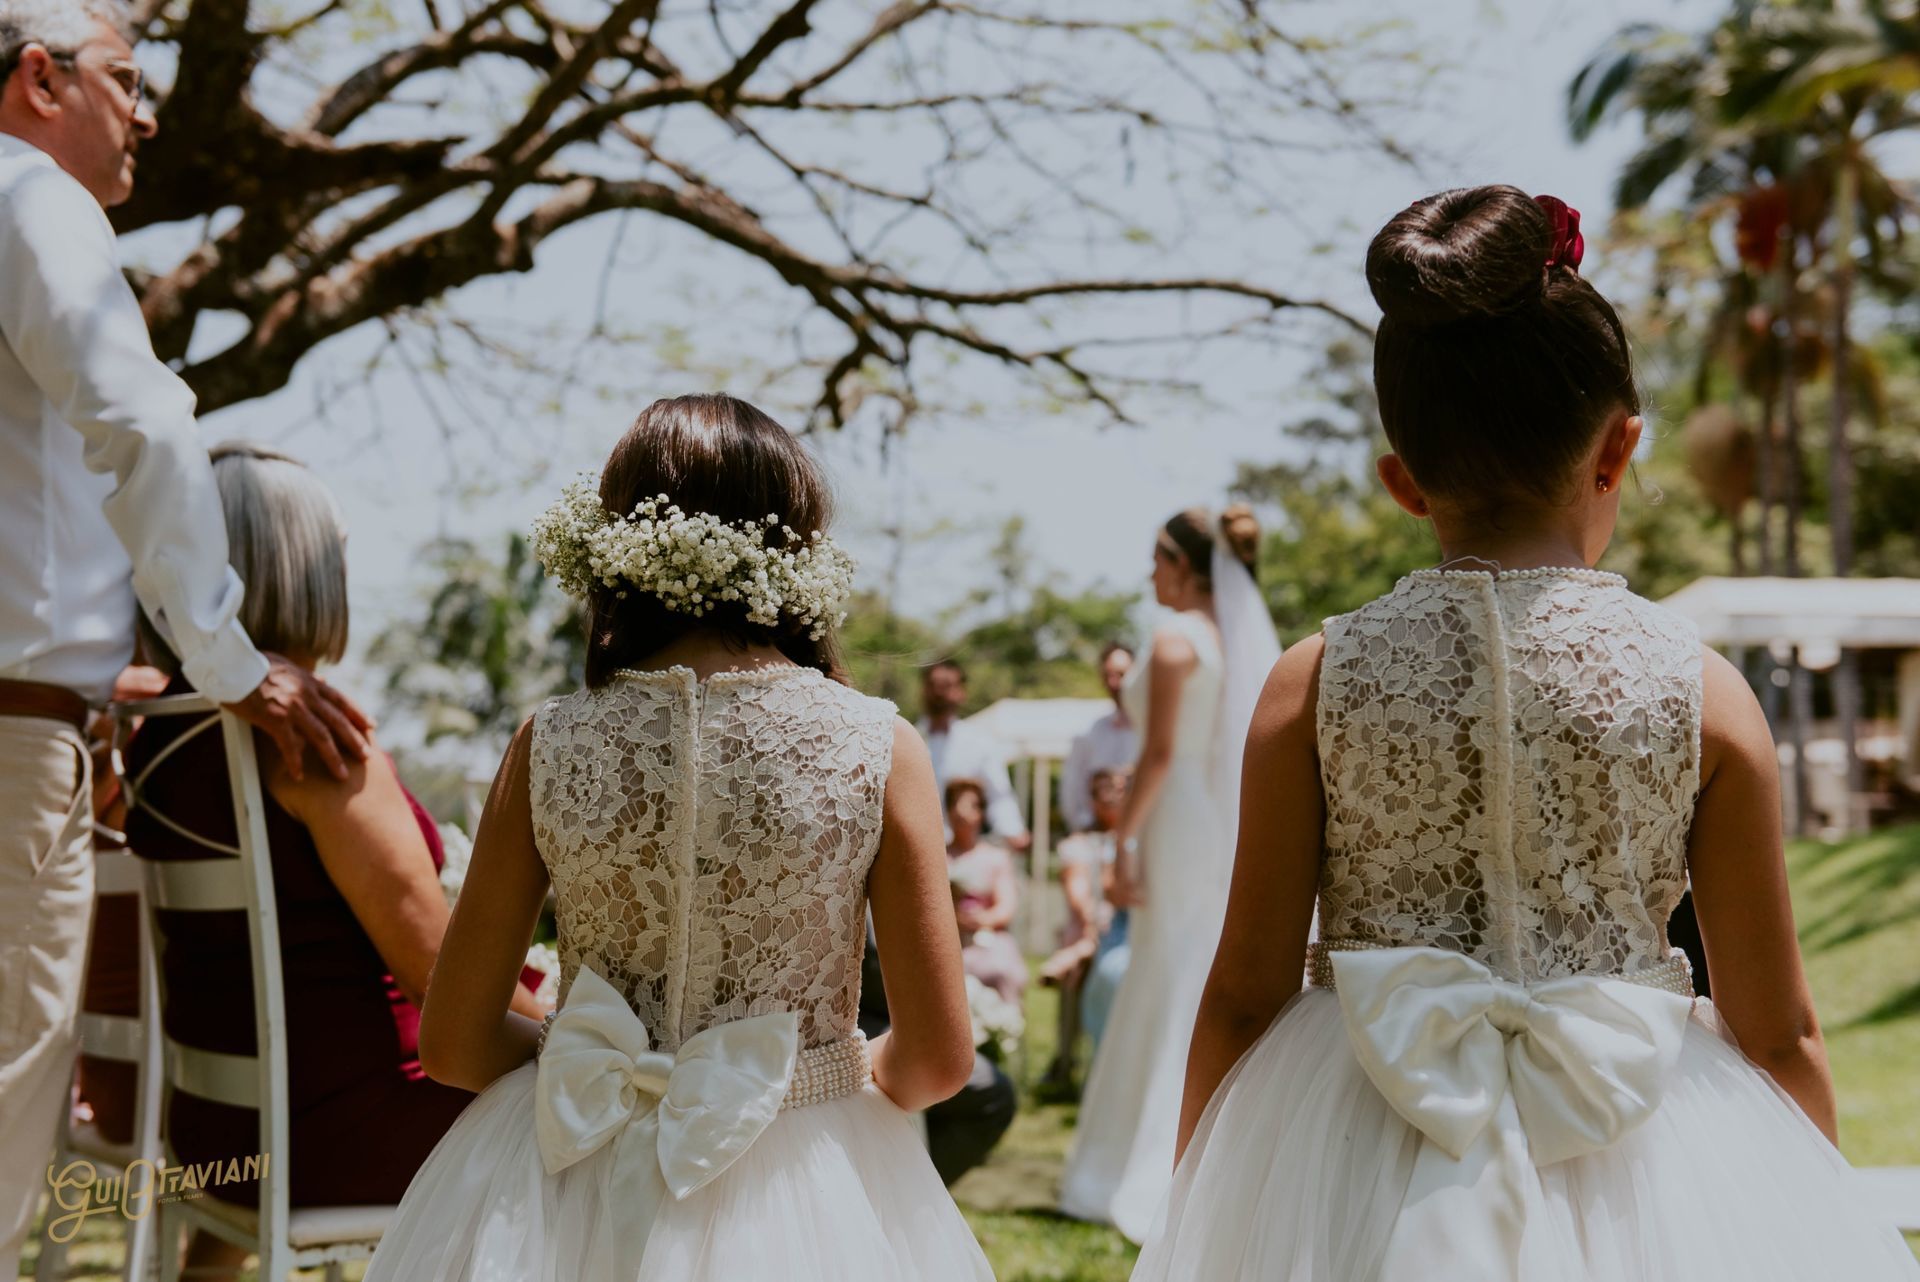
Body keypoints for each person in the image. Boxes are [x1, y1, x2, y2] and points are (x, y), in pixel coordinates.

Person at [1135, 186, 1920, 1281]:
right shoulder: (1706, 691)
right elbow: (1778, 1029)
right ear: (1619, 450)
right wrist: (1812, 1218)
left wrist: (1202, 1206)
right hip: (1643, 1135)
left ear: (1401, 482)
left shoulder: (1310, 684)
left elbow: (1239, 998)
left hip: (1352, 1133)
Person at [363, 394, 992, 1282]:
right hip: (801, 1175)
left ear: (614, 545)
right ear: (797, 549)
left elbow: (455, 1044)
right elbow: (936, 1060)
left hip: (563, 1172)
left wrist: (591, 1062)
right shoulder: (880, 747)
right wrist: (813, 1078)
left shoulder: (548, 741)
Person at [0, 3, 370, 1260]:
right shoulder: (33, 197)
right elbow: (144, 420)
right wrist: (227, 659)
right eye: (125, 78)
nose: (146, 113)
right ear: (40, 78)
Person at [121, 444, 550, 1280]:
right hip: (346, 1133)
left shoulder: (165, 738)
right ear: (304, 570)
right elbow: (443, 979)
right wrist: (573, 1025)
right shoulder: (308, 743)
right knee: (605, 1104)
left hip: (218, 1132)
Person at [1058, 503, 1281, 1243]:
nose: (1149, 572)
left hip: (1170, 811)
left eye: (1157, 559)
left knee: (1167, 971)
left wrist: (1121, 842)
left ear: (1183, 565)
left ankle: (1140, 1162)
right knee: (1177, 966)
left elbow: (1155, 755)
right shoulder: (1226, 637)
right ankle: (1179, 1153)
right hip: (1203, 813)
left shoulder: (1176, 637)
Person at [857, 931, 1017, 1187]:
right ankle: (905, 1192)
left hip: (893, 1023)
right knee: (981, 1092)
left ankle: (908, 1189)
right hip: (857, 1029)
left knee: (991, 1091)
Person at [1038, 766, 1127, 1091]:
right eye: (1103, 791)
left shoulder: (1138, 837)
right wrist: (1093, 922)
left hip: (1119, 929)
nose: (1111, 798)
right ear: (1091, 800)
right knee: (1091, 950)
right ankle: (1067, 1059)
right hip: (1088, 927)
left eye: (1117, 790)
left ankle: (1076, 956)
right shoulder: (1078, 844)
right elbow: (1077, 892)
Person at [917, 659, 1030, 851]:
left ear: (961, 692)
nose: (940, 693)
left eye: (947, 686)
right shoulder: (907, 740)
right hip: (918, 846)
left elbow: (998, 794)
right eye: (934, 685)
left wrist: (1013, 831)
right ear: (924, 689)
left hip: (965, 847)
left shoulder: (978, 743)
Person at [945, 778, 1025, 1005]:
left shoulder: (995, 857)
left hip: (987, 937)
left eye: (969, 805)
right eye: (955, 804)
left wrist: (980, 920)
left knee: (1001, 972)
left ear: (981, 813)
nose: (961, 812)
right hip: (950, 937)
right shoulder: (939, 857)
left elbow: (1005, 907)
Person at [1059, 643, 1138, 833]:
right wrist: (1085, 826)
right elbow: (1072, 788)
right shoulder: (1089, 732)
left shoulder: (1156, 728)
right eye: (1108, 675)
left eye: (1120, 674)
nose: (1114, 683)